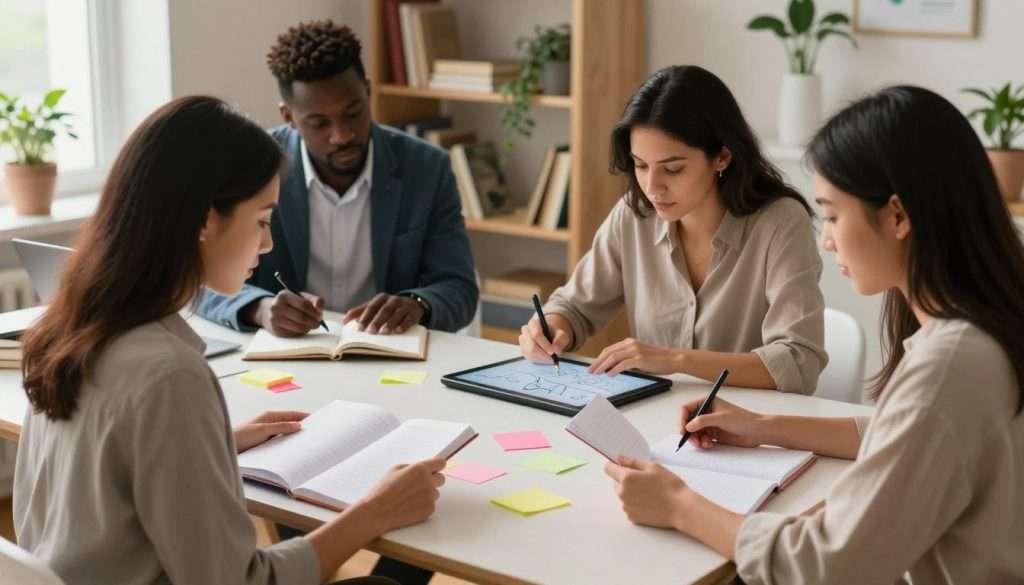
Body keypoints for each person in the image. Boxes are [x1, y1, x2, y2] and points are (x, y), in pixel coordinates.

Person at [14, 96, 447, 585]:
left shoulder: (68, 328)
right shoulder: (169, 375)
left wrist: (214, 443)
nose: (265, 246)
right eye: (262, 221)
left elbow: (101, 468)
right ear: (204, 219)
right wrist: (374, 511)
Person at [604, 86, 1024, 584]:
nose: (825, 239)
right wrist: (761, 426)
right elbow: (898, 434)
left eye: (831, 215)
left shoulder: (949, 366)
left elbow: (828, 565)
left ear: (897, 215)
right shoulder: (982, 333)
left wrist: (678, 505)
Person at [520, 65, 826, 394]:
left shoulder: (780, 224)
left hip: (749, 428)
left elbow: (796, 362)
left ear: (722, 156)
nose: (653, 187)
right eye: (640, 165)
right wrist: (551, 327)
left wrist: (677, 360)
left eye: (673, 169)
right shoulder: (634, 216)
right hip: (655, 420)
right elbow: (574, 307)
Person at [198, 19, 477, 337]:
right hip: (288, 357)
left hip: (390, 354)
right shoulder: (251, 166)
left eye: (353, 113)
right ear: (288, 116)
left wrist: (417, 303)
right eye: (319, 123)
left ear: (368, 92)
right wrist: (259, 308)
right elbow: (198, 276)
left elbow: (460, 287)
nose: (342, 136)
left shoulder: (427, 168)